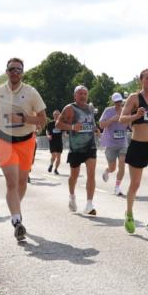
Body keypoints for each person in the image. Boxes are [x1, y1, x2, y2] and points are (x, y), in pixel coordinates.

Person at [0, 57, 47, 241]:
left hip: (26, 141)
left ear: (22, 73)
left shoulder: (31, 93)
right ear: (7, 71)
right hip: (5, 140)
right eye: (12, 69)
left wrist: (23, 119)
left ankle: (15, 208)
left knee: (21, 182)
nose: (15, 72)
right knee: (11, 183)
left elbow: (43, 120)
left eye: (18, 70)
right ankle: (17, 221)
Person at [119, 68, 148, 235]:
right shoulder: (134, 98)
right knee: (135, 184)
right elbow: (122, 119)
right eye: (147, 78)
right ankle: (129, 214)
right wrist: (135, 116)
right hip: (137, 146)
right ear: (141, 80)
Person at [57, 85, 99, 215]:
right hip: (76, 148)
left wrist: (95, 129)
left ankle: (89, 204)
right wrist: (72, 127)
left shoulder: (90, 108)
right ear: (75, 96)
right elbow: (58, 124)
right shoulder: (70, 108)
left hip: (90, 146)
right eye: (80, 93)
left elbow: (91, 123)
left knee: (91, 174)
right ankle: (72, 196)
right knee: (74, 176)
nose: (83, 96)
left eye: (85, 94)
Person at [98, 92, 129, 197]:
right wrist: (112, 119)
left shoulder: (125, 111)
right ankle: (107, 170)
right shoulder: (108, 111)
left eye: (120, 101)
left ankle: (117, 187)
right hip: (110, 143)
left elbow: (131, 124)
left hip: (122, 142)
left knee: (122, 162)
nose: (118, 103)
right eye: (116, 102)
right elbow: (101, 125)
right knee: (113, 168)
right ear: (113, 102)